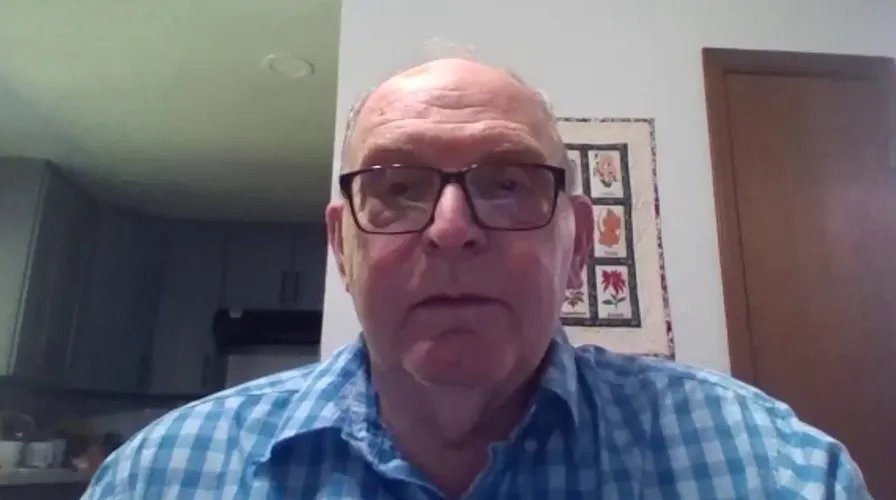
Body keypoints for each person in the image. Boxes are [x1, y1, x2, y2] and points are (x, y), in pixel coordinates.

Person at [83, 58, 868, 499]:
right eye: (396, 186)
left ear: (577, 245)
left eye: (507, 183)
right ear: (340, 245)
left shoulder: (779, 472)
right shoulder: (160, 477)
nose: (451, 229)